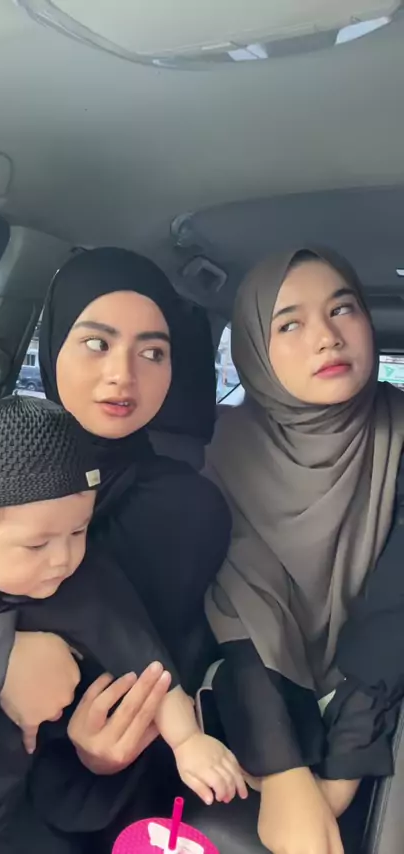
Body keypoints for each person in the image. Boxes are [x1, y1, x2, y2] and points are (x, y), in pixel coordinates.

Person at [0, 249, 232, 844]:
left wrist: (102, 754)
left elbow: (146, 659)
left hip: (59, 789)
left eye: (152, 352)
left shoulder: (186, 510)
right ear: (53, 345)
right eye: (96, 342)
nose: (123, 375)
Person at [203, 247, 404, 854]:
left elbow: (396, 606)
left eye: (342, 309)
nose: (327, 337)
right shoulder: (219, 452)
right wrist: (285, 771)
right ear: (254, 350)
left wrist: (340, 773)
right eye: (289, 323)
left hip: (380, 685)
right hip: (250, 688)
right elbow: (243, 606)